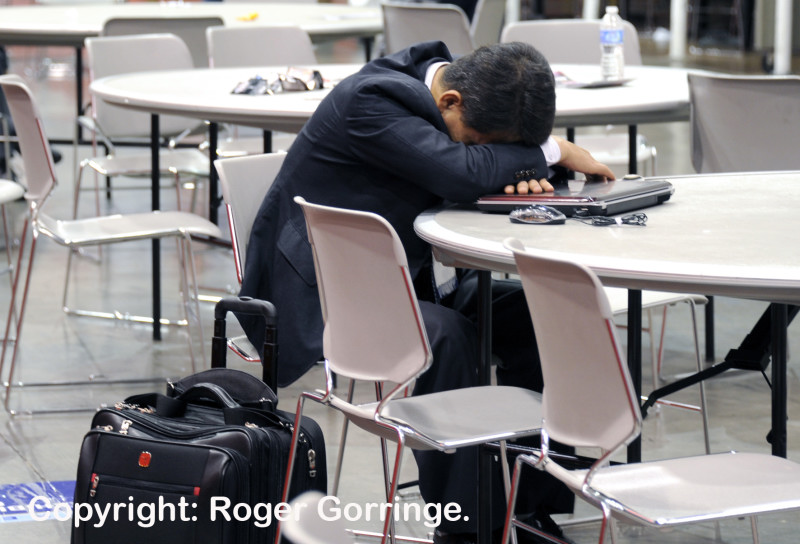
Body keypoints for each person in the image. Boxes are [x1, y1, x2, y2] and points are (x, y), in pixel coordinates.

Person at [238, 41, 614, 544]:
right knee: (448, 336)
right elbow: (461, 171)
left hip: (412, 279)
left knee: (538, 314)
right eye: (479, 143)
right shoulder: (372, 99)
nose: (483, 153)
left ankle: (529, 511)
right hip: (330, 295)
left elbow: (474, 166)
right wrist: (552, 151)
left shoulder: (470, 95)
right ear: (449, 102)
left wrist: (524, 169)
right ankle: (467, 531)